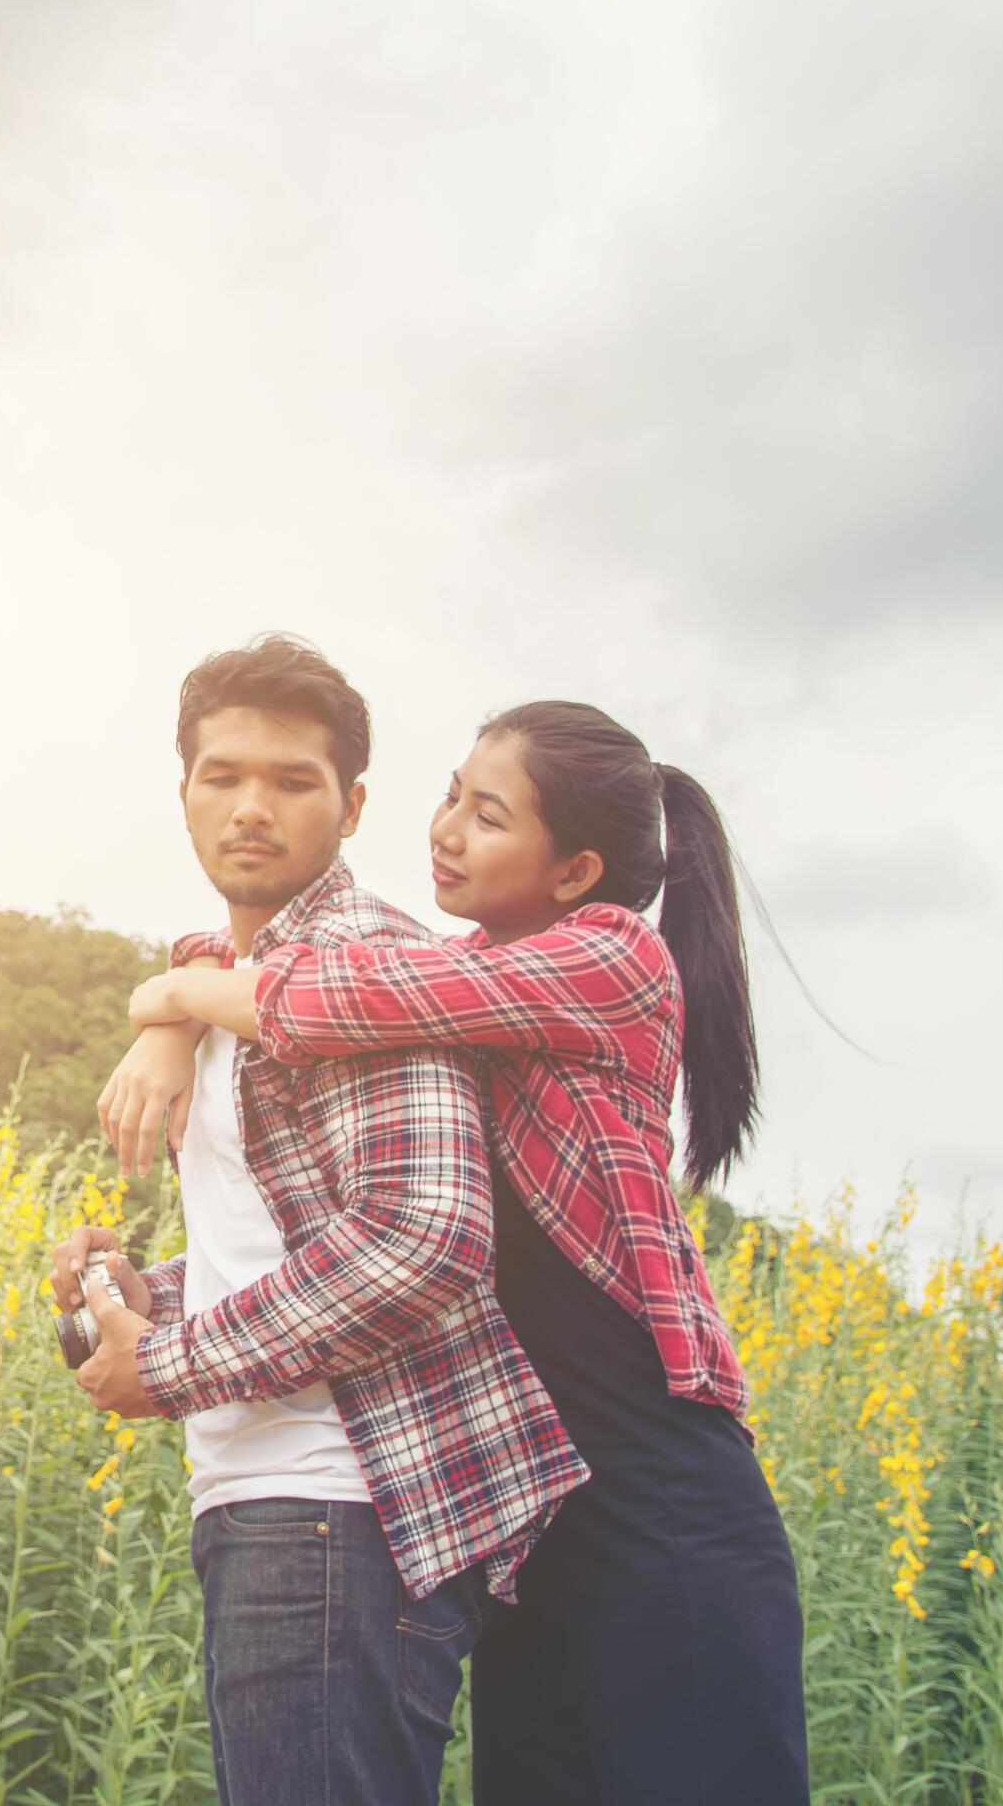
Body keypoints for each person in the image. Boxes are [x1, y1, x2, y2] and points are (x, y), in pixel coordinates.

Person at [105, 699, 809, 1804]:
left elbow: (361, 988)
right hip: (530, 1520)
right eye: (449, 796)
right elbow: (287, 968)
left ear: (574, 869)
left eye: (487, 816)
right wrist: (173, 1018)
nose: (446, 831)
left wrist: (182, 997)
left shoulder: (611, 958)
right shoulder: (469, 978)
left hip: (660, 1501)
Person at [53, 637, 585, 1806]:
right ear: (183, 790)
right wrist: (149, 1297)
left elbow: (423, 1234)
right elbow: (301, 1241)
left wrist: (175, 1364)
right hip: (280, 1499)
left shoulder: (364, 966)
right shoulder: (242, 982)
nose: (252, 807)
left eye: (293, 782)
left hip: (340, 1503)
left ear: (351, 807)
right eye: (223, 775)